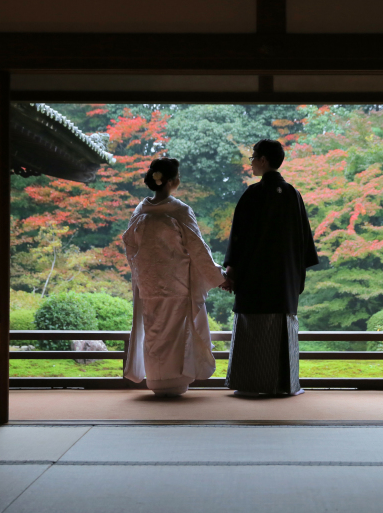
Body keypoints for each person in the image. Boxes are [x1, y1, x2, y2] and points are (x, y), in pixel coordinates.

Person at [122, 157, 230, 396]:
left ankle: (157, 380)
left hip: (150, 284)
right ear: (172, 181)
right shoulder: (180, 211)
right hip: (176, 283)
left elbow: (130, 246)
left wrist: (142, 272)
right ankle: (174, 381)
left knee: (154, 330)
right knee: (175, 332)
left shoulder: (140, 212)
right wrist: (219, 276)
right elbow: (198, 249)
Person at [224, 139, 319, 397]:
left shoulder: (253, 195)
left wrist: (231, 272)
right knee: (281, 330)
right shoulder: (292, 195)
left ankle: (250, 384)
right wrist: (295, 275)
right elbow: (304, 244)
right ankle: (283, 385)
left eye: (253, 156)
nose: (251, 161)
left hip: (255, 280)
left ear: (264, 160)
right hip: (284, 280)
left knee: (253, 329)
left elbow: (238, 239)